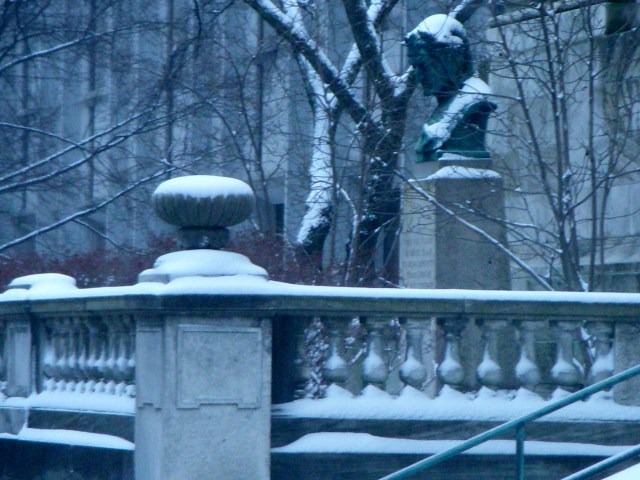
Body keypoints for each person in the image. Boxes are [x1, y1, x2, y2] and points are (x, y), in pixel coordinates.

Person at [405, 14, 496, 162]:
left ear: (450, 61)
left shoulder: (475, 102)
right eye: (416, 67)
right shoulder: (442, 108)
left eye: (424, 65)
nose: (419, 76)